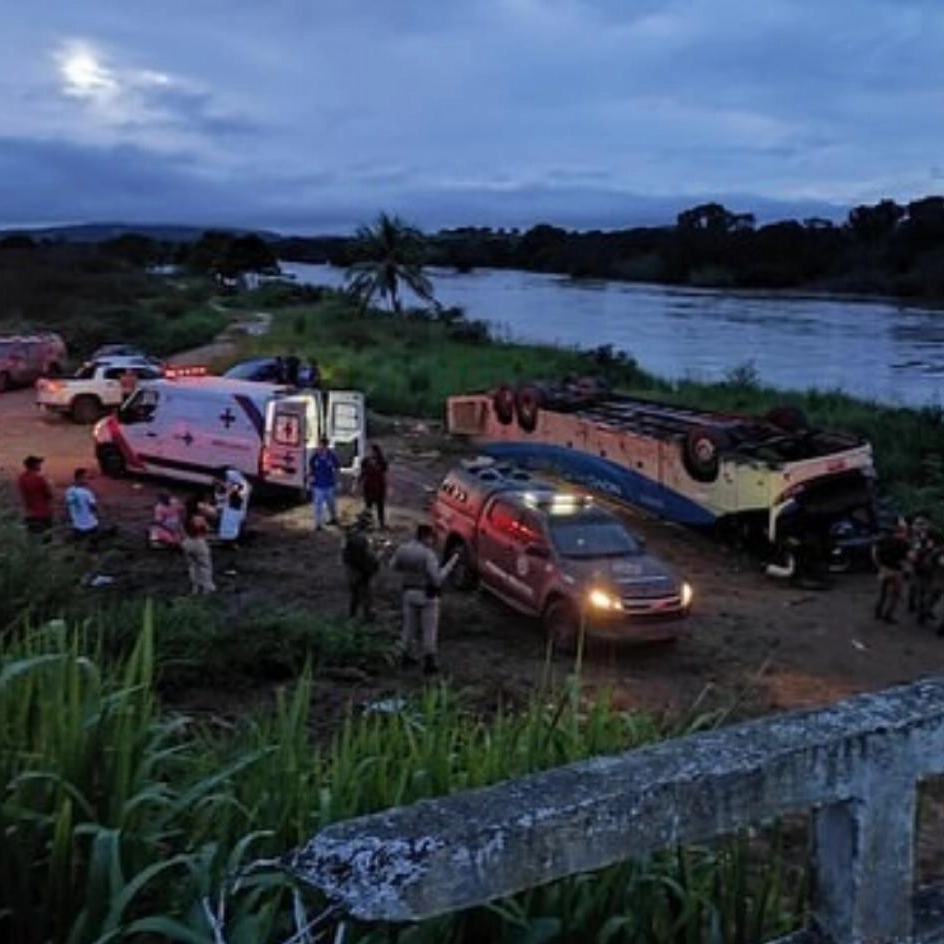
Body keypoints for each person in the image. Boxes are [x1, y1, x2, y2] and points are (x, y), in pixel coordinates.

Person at [390, 524, 459, 675]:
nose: (433, 542)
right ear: (426, 537)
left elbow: (393, 566)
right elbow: (437, 579)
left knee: (408, 627)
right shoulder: (428, 555)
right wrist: (451, 563)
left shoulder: (403, 549)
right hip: (428, 595)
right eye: (431, 538)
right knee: (429, 630)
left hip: (408, 592)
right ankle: (430, 663)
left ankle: (403, 656)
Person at [343, 510, 380, 620]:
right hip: (362, 569)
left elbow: (345, 552)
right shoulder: (363, 538)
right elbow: (368, 556)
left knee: (355, 594)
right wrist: (376, 560)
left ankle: (353, 616)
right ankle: (366, 616)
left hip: (352, 568)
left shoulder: (350, 533)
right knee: (366, 593)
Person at [872, 519, 910, 624]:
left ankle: (878, 612)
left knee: (883, 593)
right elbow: (907, 559)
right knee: (895, 595)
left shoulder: (884, 540)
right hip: (896, 571)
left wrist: (879, 566)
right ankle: (888, 615)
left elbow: (875, 553)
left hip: (884, 569)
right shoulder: (904, 544)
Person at [181, 496, 215, 594]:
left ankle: (195, 587)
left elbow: (182, 530)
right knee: (205, 565)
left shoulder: (185, 517)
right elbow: (206, 529)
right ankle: (207, 588)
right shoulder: (199, 518)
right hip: (198, 542)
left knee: (192, 566)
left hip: (187, 542)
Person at [309, 436, 340, 530]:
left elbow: (337, 467)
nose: (320, 447)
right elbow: (311, 467)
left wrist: (337, 481)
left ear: (326, 445)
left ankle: (333, 518)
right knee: (318, 505)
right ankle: (318, 524)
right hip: (318, 484)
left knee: (331, 504)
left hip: (329, 484)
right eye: (319, 445)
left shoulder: (331, 455)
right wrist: (311, 478)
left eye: (322, 445)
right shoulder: (315, 456)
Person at [18, 455, 53, 537]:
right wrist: (49, 484)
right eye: (38, 463)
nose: (40, 465)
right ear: (34, 465)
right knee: (45, 540)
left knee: (33, 539)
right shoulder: (39, 479)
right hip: (43, 514)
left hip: (29, 514)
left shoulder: (21, 478)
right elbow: (49, 495)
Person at [64, 468, 100, 548]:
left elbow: (68, 506)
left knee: (79, 546)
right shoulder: (87, 493)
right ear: (80, 478)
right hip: (90, 524)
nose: (88, 480)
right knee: (93, 547)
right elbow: (94, 508)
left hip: (77, 524)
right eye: (86, 478)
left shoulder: (69, 491)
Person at [360, 443, 389, 529]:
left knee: (380, 506)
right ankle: (368, 524)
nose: (371, 453)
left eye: (373, 451)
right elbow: (363, 473)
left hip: (379, 487)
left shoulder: (382, 461)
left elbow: (385, 470)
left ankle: (381, 524)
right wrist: (358, 482)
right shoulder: (365, 461)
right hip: (369, 487)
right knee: (368, 506)